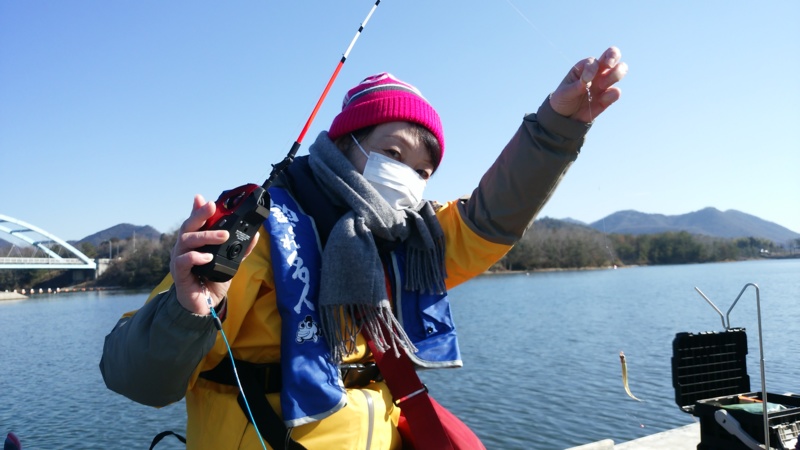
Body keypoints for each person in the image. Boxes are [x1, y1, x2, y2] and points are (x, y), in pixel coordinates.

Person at [100, 46, 628, 449]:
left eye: (423, 171)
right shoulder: (253, 233)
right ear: (345, 144)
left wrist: (561, 124)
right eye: (392, 153)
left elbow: (492, 215)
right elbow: (138, 378)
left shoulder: (407, 239)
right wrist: (187, 313)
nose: (407, 179)